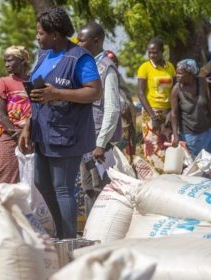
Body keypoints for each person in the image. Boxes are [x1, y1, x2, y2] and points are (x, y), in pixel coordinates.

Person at [18, 7, 102, 238]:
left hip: (67, 133)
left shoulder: (79, 57)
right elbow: (37, 94)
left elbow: (95, 92)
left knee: (63, 188)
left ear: (55, 34)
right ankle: (62, 233)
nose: (37, 37)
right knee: (41, 182)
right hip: (43, 131)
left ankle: (68, 241)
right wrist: (28, 126)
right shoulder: (44, 55)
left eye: (41, 33)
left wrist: (59, 94)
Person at [77, 22, 122, 214]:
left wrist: (101, 144)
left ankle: (102, 234)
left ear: (96, 41)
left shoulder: (106, 68)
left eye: (82, 40)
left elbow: (112, 109)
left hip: (99, 141)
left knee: (100, 187)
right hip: (85, 138)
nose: (78, 44)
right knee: (87, 188)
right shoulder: (87, 65)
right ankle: (90, 231)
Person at [170, 59, 211, 172]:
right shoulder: (176, 90)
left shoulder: (202, 82)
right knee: (199, 171)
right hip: (191, 136)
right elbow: (174, 114)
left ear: (190, 73)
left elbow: (209, 104)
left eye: (181, 73)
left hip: (210, 132)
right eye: (177, 72)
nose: (177, 75)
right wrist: (175, 135)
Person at [0, 46, 31, 187]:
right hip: (9, 136)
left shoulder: (33, 81)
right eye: (5, 62)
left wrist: (26, 133)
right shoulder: (2, 82)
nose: (6, 65)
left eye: (10, 60)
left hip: (31, 136)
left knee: (28, 181)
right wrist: (18, 134)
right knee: (3, 181)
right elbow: (1, 115)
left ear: (21, 60)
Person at [137, 37, 176, 173]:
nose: (152, 55)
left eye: (155, 52)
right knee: (153, 146)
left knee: (166, 144)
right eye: (150, 52)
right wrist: (153, 116)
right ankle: (154, 178)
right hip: (151, 111)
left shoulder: (170, 67)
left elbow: (174, 91)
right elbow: (141, 94)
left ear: (162, 51)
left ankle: (167, 176)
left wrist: (172, 111)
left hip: (168, 112)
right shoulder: (145, 68)